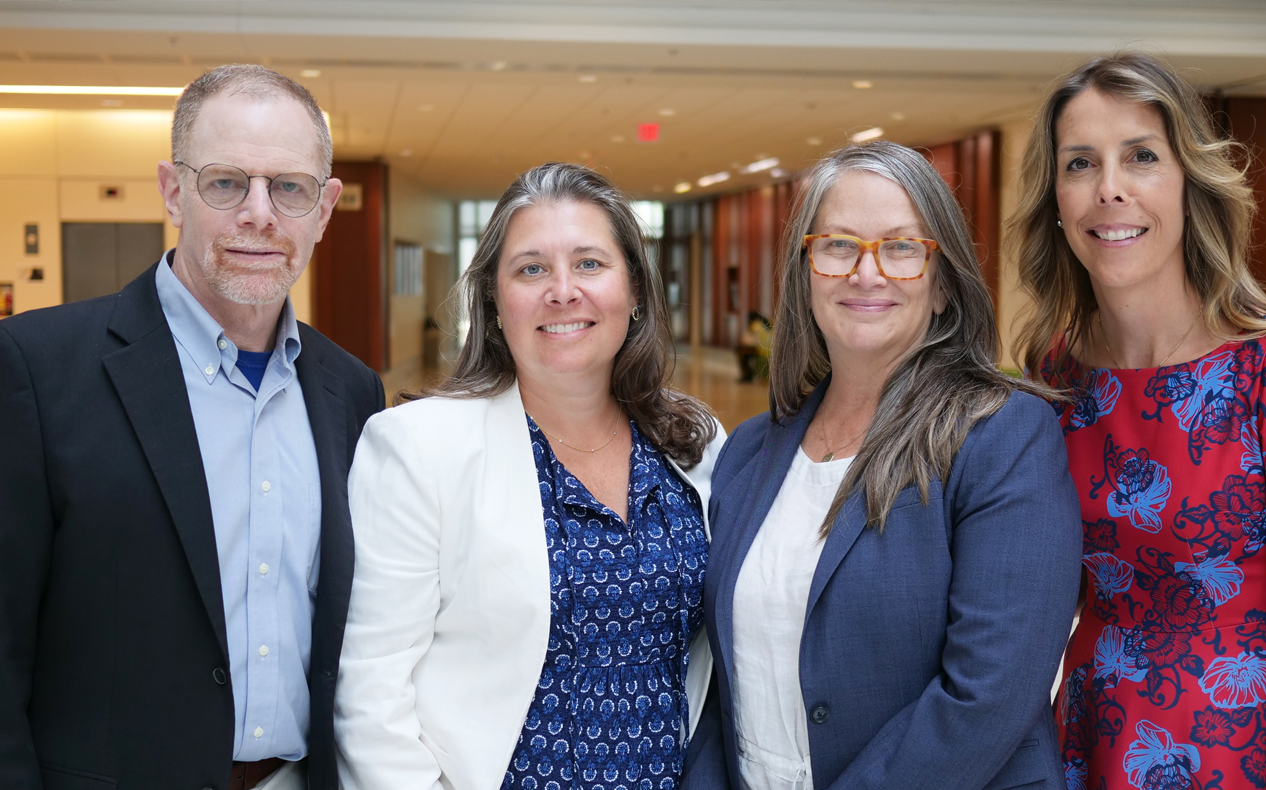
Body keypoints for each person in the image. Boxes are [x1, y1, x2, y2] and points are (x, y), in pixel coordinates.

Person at [0, 65, 385, 790]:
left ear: (325, 210)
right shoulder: (35, 370)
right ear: (173, 190)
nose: (260, 214)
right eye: (226, 183)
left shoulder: (352, 393)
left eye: (290, 188)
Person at [683, 141, 1083, 790]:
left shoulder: (1003, 438)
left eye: (901, 248)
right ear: (805, 272)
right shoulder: (749, 454)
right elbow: (719, 691)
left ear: (944, 283)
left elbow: (987, 695)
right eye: (839, 245)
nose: (865, 274)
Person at [1010, 53, 1266, 790]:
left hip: (1251, 755)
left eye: (1142, 157)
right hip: (1090, 747)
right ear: (1057, 200)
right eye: (1079, 163)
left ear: (1189, 182)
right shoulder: (1055, 377)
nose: (1110, 189)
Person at [335, 162, 725, 790]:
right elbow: (371, 688)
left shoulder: (693, 443)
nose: (563, 290)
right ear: (493, 298)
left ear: (635, 291)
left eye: (591, 264)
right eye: (531, 268)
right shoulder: (419, 448)